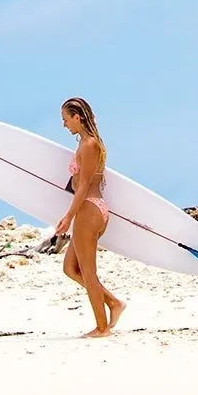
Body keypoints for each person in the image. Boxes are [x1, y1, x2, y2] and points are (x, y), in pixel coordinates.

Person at [55, 97, 125, 338]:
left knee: (88, 272)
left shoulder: (89, 145)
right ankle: (113, 303)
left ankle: (102, 328)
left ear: (78, 117)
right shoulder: (87, 143)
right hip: (90, 209)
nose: (64, 125)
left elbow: (83, 186)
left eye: (66, 119)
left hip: (89, 209)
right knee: (70, 268)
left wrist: (67, 217)